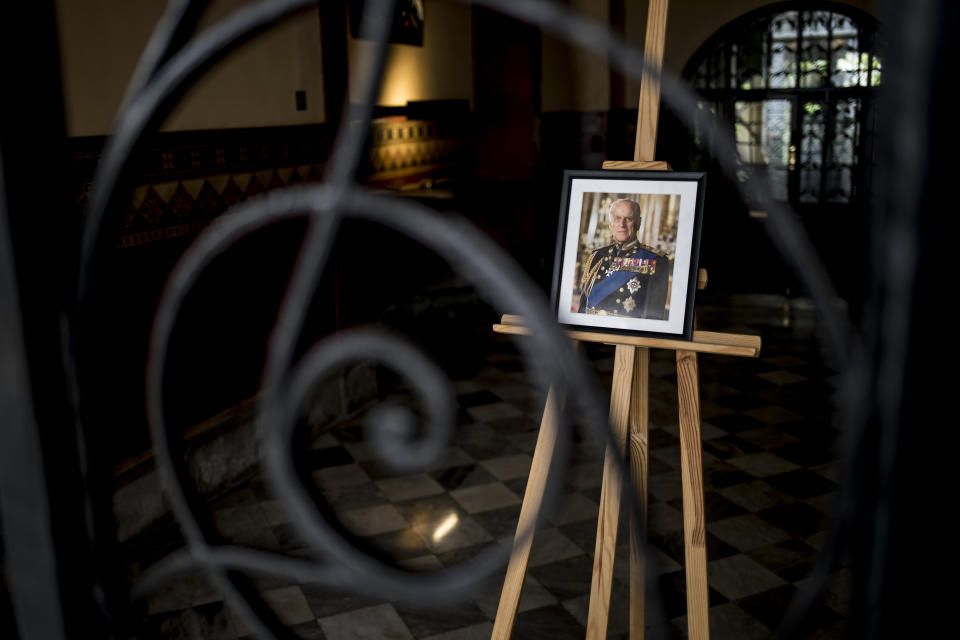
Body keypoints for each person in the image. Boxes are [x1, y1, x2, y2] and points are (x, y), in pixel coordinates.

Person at [578, 199, 670, 319]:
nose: (622, 224)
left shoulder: (656, 260)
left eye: (628, 219)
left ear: (638, 223)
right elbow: (583, 307)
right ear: (610, 224)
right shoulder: (597, 256)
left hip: (625, 334)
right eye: (617, 218)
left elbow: (653, 318)